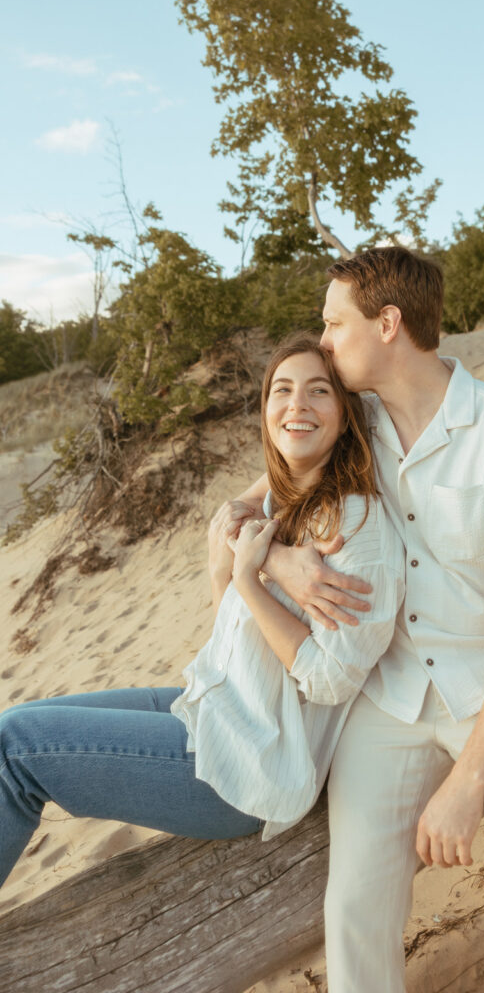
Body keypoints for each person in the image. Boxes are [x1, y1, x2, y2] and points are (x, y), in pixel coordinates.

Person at [231, 248, 484, 993]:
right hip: (391, 693)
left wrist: (467, 779)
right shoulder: (349, 424)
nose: (325, 339)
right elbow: (240, 514)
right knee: (353, 914)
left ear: (387, 323)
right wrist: (280, 563)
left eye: (334, 323)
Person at [0, 334, 404, 889]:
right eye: (281, 390)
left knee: (16, 748)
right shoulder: (277, 503)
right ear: (265, 411)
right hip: (214, 708)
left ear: (345, 415)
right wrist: (232, 575)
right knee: (13, 728)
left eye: (318, 392)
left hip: (248, 768)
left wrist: (247, 577)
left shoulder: (355, 529)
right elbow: (235, 644)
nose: (296, 405)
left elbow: (330, 679)